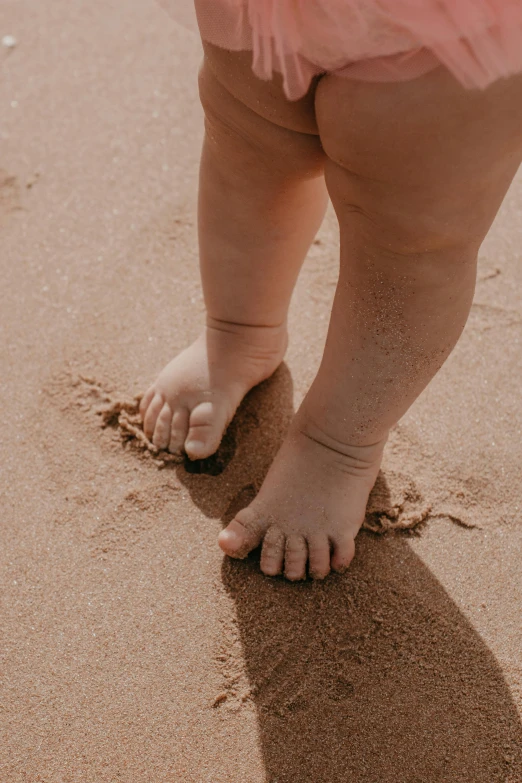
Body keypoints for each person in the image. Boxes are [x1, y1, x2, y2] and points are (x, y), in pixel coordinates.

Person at [140, 0, 522, 581]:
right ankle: (241, 331)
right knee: (249, 136)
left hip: (463, 31)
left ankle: (339, 443)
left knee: (411, 241)